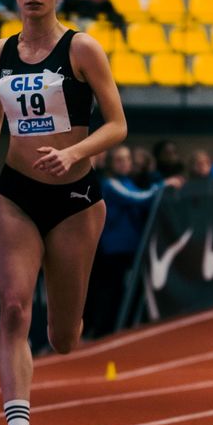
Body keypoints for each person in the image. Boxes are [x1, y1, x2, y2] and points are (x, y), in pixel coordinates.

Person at [0, 0, 129, 425]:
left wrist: (74, 152)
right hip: (16, 192)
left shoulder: (82, 49)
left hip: (76, 198)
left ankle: (68, 321)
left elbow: (117, 125)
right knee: (14, 309)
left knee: (63, 337)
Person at [88, 145, 159, 339]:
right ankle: (103, 330)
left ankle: (122, 326)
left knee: (127, 290)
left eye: (127, 159)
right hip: (114, 248)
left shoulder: (128, 182)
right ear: (111, 163)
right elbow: (139, 199)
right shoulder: (111, 184)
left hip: (130, 246)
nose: (124, 163)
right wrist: (161, 187)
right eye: (119, 159)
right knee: (110, 290)